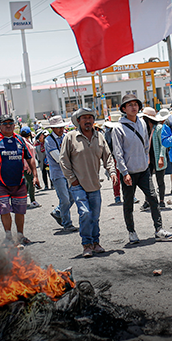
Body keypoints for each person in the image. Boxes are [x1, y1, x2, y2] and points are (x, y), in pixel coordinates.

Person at [113, 94, 172, 244]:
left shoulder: (142, 123)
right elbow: (118, 152)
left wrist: (146, 158)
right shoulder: (118, 128)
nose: (133, 107)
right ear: (123, 108)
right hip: (128, 173)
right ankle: (131, 231)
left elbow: (145, 145)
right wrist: (124, 172)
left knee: (153, 198)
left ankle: (159, 230)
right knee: (128, 203)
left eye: (136, 104)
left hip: (143, 170)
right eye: (129, 105)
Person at [60, 108, 117, 257]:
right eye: (84, 118)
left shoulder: (99, 136)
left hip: (94, 185)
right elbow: (63, 160)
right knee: (85, 213)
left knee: (95, 216)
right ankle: (86, 244)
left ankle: (95, 242)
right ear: (78, 121)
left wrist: (112, 171)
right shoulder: (70, 137)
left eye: (90, 117)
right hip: (77, 185)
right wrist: (72, 180)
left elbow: (108, 156)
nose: (88, 120)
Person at [0, 114, 39, 247]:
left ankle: (20, 236)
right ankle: (8, 237)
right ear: (0, 125)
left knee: (20, 210)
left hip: (19, 183)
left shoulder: (20, 140)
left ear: (14, 125)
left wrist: (35, 175)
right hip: (0, 183)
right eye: (5, 123)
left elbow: (29, 157)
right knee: (4, 209)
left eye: (10, 123)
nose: (8, 125)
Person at [45, 115, 79, 232]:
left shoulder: (65, 137)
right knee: (64, 199)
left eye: (61, 127)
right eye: (58, 127)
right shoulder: (49, 140)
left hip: (68, 173)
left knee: (72, 197)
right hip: (58, 174)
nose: (61, 129)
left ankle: (58, 212)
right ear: (53, 129)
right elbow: (58, 158)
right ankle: (67, 223)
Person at [139, 107, 169, 211]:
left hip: (157, 158)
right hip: (147, 159)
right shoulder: (144, 129)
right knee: (147, 181)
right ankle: (147, 201)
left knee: (160, 180)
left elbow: (163, 145)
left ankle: (161, 201)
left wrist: (161, 157)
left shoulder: (159, 128)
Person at [20, 126, 41, 209]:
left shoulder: (25, 141)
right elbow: (24, 155)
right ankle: (32, 201)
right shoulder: (24, 142)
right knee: (31, 183)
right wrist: (28, 166)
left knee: (27, 184)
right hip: (27, 167)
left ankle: (23, 201)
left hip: (27, 166)